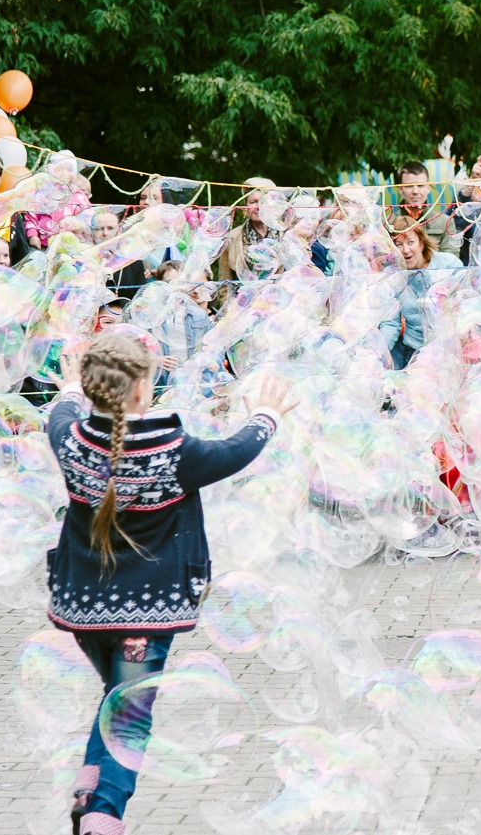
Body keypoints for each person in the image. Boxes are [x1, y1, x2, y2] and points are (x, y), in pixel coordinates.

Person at [45, 332, 294, 835]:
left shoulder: (70, 439)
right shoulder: (174, 449)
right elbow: (236, 451)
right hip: (147, 615)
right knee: (129, 713)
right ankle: (101, 815)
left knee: (118, 695)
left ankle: (90, 783)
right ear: (142, 390)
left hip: (83, 611)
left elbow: (60, 409)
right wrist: (267, 414)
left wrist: (72, 384)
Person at [384, 215, 463, 369]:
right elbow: (390, 324)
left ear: (421, 242)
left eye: (410, 242)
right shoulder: (392, 276)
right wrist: (377, 354)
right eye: (398, 244)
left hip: (450, 349)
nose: (405, 250)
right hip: (414, 352)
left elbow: (466, 301)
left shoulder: (449, 263)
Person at [388, 160, 461, 258]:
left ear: (428, 188)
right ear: (400, 189)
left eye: (420, 186)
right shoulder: (388, 223)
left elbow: (451, 260)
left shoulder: (445, 222)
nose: (415, 191)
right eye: (409, 186)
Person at [218, 177, 277, 289]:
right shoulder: (232, 238)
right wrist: (230, 306)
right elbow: (224, 284)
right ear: (245, 206)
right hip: (242, 303)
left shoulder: (286, 236)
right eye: (253, 202)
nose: (258, 207)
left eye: (263, 202)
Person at [91, 209, 147, 302]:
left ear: (119, 230)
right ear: (92, 231)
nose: (105, 233)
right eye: (99, 228)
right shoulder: (84, 261)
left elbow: (140, 301)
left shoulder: (134, 264)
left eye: (110, 228)